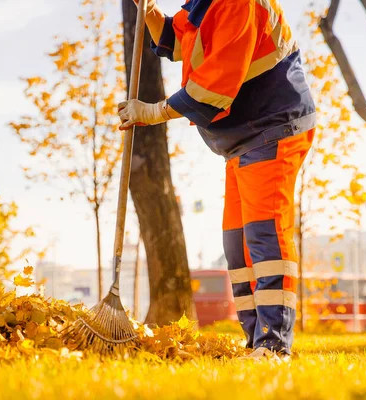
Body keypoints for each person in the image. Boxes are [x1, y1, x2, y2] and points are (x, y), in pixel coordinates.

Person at [119, 0, 316, 359]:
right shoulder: (204, 3)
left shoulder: (238, 3)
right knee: (237, 245)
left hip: (273, 126)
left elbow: (213, 88)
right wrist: (147, 10)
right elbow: (176, 39)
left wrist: (151, 112)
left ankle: (274, 347)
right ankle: (255, 341)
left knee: (264, 234)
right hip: (243, 139)